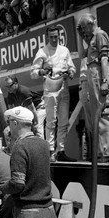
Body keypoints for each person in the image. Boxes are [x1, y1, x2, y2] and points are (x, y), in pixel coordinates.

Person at [31, 25, 76, 162]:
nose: (54, 39)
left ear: (59, 36)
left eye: (56, 37)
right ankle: (50, 151)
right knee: (51, 121)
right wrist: (42, 71)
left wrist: (71, 72)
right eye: (51, 37)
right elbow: (33, 72)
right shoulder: (42, 52)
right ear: (47, 37)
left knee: (64, 121)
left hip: (64, 86)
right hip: (50, 89)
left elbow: (72, 66)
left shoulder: (64, 50)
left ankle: (61, 150)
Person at [77, 13, 109, 162]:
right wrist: (80, 36)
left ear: (89, 23)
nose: (83, 30)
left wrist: (105, 81)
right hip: (91, 72)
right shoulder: (92, 38)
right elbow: (82, 55)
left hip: (97, 73)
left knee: (103, 111)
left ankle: (108, 152)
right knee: (96, 114)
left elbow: (105, 59)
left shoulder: (100, 34)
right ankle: (102, 151)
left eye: (83, 27)